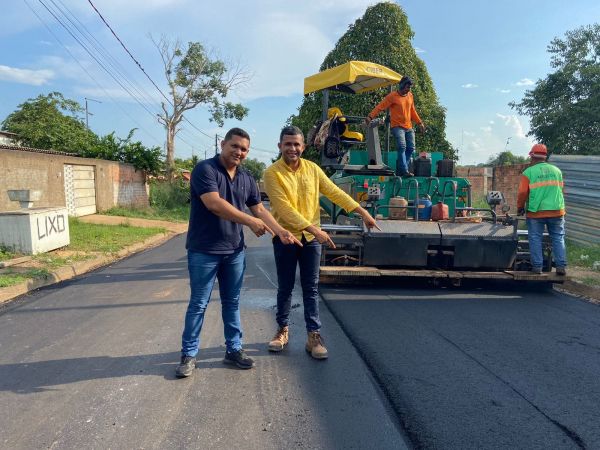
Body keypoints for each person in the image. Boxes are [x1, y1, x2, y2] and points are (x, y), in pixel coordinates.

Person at [176, 127, 301, 378]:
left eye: (244, 149)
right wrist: (250, 222)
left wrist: (279, 231)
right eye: (234, 146)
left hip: (234, 251)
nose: (239, 152)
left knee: (232, 302)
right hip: (204, 250)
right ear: (223, 144)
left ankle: (233, 350)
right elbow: (214, 204)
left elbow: (260, 210)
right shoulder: (205, 170)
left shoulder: (246, 178)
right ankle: (189, 355)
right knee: (199, 303)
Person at [264, 126, 380, 359]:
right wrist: (314, 229)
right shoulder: (271, 173)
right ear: (280, 146)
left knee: (311, 288)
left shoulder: (313, 169)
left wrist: (362, 212)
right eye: (288, 144)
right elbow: (283, 209)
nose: (293, 148)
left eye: (297, 144)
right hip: (287, 238)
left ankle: (313, 336)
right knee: (285, 287)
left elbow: (334, 192)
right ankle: (282, 331)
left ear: (303, 147)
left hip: (310, 240)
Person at [516, 143, 567, 275]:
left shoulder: (528, 173)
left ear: (532, 157)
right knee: (558, 237)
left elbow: (522, 193)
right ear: (545, 157)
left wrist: (520, 207)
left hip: (536, 212)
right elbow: (561, 190)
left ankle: (537, 267)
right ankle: (561, 267)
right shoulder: (557, 171)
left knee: (535, 238)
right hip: (557, 210)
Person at [365, 76, 426, 177]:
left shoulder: (410, 95)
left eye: (410, 87)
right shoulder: (392, 96)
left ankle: (402, 168)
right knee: (402, 146)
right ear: (402, 85)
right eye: (407, 87)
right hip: (397, 127)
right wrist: (370, 116)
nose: (409, 89)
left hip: (408, 127)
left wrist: (420, 123)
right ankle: (405, 170)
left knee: (411, 148)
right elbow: (380, 106)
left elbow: (412, 111)